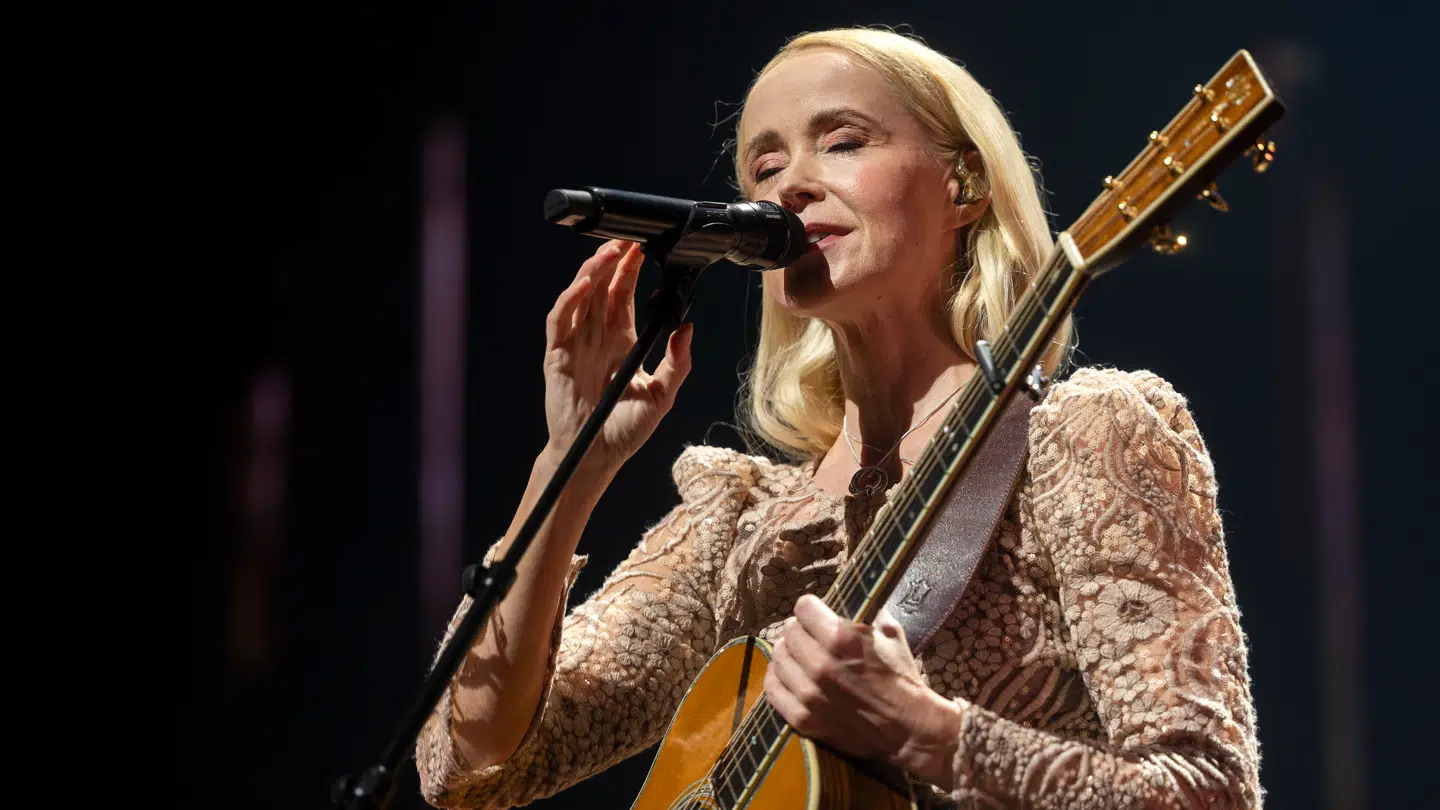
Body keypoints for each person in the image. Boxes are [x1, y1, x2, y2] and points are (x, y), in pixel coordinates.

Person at [415, 27, 1261, 810]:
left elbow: (1209, 791)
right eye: (763, 168)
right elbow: (469, 763)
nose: (790, 186)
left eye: (844, 142)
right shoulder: (743, 525)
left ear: (963, 185)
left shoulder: (1083, 439)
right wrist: (571, 463)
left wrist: (927, 733)